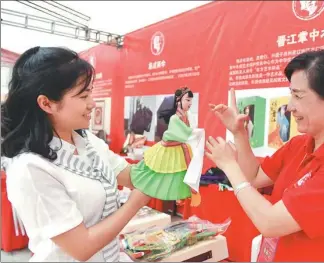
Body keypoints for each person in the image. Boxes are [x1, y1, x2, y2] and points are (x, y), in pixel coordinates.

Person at [207, 50, 324, 261]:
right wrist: (239, 133)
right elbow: (254, 177)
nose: (290, 106)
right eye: (291, 94)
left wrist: (229, 166)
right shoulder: (301, 144)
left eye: (298, 96)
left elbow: (270, 223)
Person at [1, 46, 151, 262]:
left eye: (91, 93)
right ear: (46, 103)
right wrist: (135, 203)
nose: (92, 104)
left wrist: (164, 155)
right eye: (83, 96)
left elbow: (130, 175)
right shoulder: (30, 168)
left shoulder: (86, 140)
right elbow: (81, 248)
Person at [130, 87, 203, 207]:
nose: (190, 103)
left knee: (178, 176)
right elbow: (184, 132)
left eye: (191, 101)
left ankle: (179, 198)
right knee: (160, 175)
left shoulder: (187, 116)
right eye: (187, 100)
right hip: (169, 149)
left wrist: (195, 133)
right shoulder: (175, 118)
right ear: (179, 100)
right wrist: (196, 133)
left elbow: (189, 131)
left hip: (179, 149)